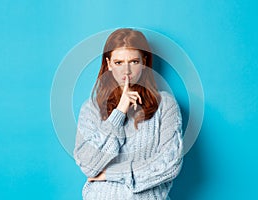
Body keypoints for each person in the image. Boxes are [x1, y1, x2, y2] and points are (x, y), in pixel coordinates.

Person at [73, 28, 183, 200]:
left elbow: (169, 164)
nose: (126, 71)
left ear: (144, 62)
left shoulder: (165, 105)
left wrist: (110, 174)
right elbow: (89, 166)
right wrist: (119, 113)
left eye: (133, 61)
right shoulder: (91, 108)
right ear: (108, 64)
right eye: (118, 63)